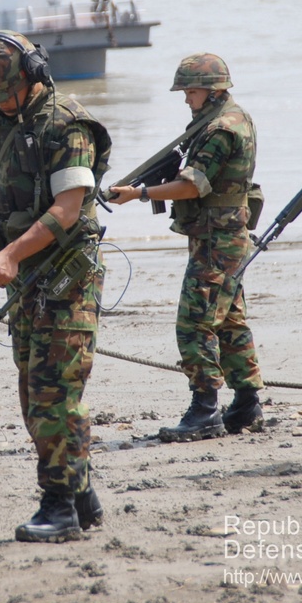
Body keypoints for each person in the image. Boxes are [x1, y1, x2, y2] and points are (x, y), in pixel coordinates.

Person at [0, 30, 111, 543]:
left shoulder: (68, 125)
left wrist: (10, 254)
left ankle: (60, 506)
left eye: (6, 94)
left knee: (56, 393)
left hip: (67, 276)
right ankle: (81, 495)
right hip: (25, 277)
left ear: (31, 76)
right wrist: (5, 255)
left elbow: (67, 210)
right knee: (33, 391)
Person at [108, 53, 264, 442]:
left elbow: (192, 186)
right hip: (224, 234)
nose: (186, 99)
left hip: (217, 238)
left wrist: (140, 193)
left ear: (212, 90)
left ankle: (205, 409)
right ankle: (246, 402)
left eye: (190, 91)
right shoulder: (231, 118)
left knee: (195, 322)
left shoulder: (220, 129)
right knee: (229, 319)